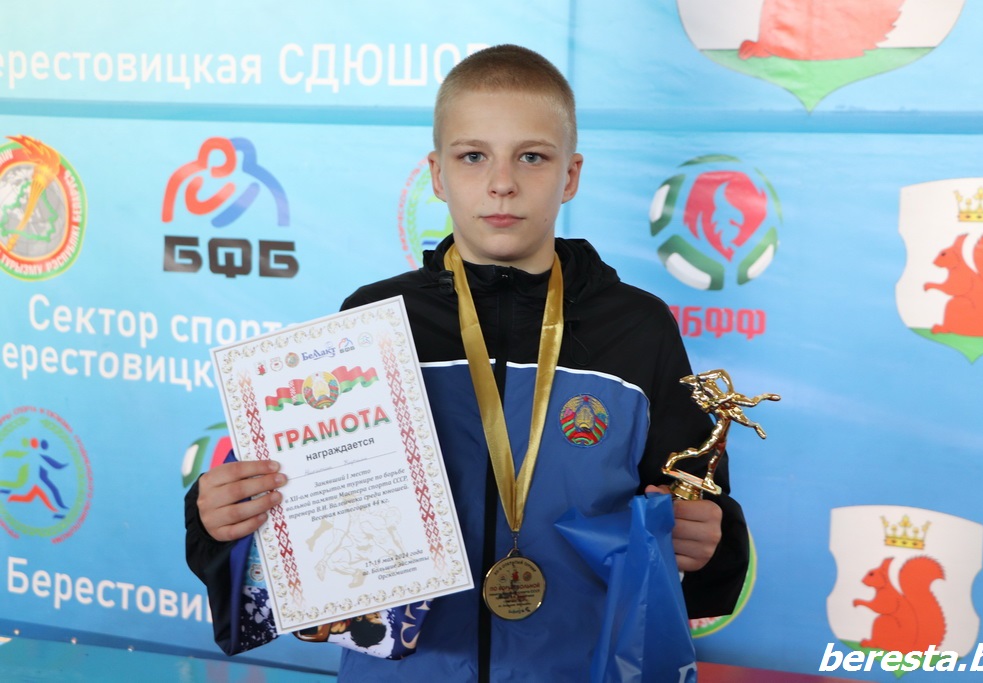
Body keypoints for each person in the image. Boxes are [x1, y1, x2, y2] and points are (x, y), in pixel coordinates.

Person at [186, 44, 749, 681]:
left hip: (580, 667)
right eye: (473, 156)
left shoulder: (637, 329)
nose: (502, 182)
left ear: (570, 175)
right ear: (437, 173)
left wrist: (708, 540)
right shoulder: (373, 323)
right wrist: (221, 521)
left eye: (531, 156)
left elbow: (696, 512)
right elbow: (300, 513)